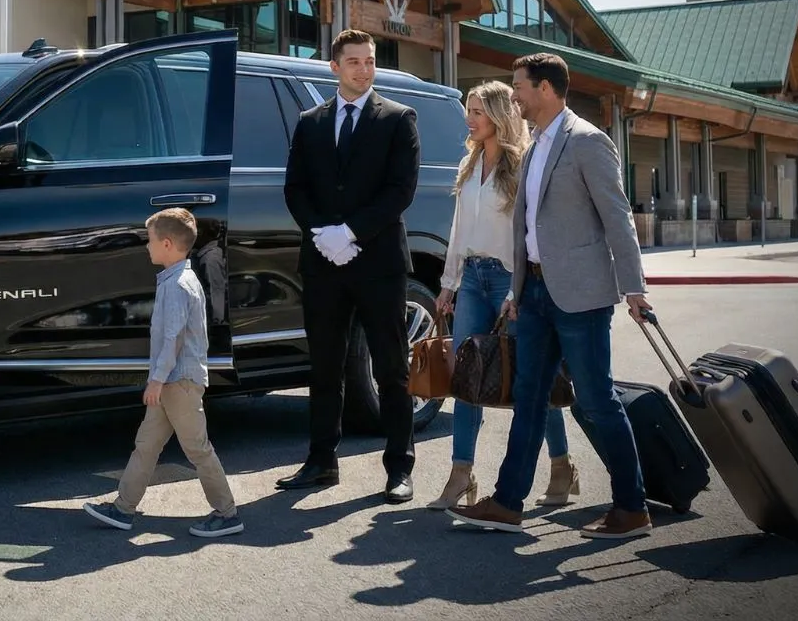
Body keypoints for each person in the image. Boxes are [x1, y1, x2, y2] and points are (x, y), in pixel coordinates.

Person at [449, 53, 653, 539]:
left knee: (597, 400)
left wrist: (634, 287)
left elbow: (617, 217)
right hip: (534, 293)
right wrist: (517, 290)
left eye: (519, 87)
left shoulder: (587, 141)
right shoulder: (536, 143)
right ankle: (508, 503)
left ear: (544, 88)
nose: (514, 96)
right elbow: (526, 226)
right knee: (529, 398)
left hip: (580, 295)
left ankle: (632, 508)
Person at [278, 28, 422, 503]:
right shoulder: (310, 121)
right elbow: (295, 187)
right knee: (324, 367)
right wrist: (323, 234)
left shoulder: (398, 119)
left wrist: (352, 233)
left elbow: (400, 191)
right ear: (335, 67)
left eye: (370, 61)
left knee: (391, 368)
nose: (364, 69)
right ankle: (321, 462)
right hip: (323, 263)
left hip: (378, 263)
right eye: (355, 61)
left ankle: (399, 467)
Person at [426, 80, 580, 511]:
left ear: (498, 115)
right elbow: (459, 229)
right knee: (466, 378)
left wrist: (518, 288)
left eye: (477, 111)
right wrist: (448, 283)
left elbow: (529, 233)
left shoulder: (523, 164)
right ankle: (461, 474)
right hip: (473, 279)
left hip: (511, 281)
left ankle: (562, 465)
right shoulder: (469, 163)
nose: (469, 119)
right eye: (469, 110)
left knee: (531, 379)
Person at [83, 208, 243, 538]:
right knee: (146, 445)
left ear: (167, 244)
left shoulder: (177, 285)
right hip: (172, 381)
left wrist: (156, 380)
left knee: (197, 448)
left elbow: (174, 338)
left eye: (151, 240)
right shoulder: (178, 279)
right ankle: (123, 509)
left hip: (178, 382)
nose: (147, 246)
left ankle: (227, 514)